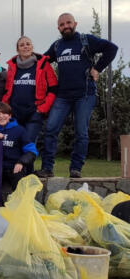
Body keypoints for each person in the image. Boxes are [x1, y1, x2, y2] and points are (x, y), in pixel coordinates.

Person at [36, 13, 118, 178]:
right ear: (58, 28)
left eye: (68, 23)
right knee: (51, 129)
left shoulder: (86, 40)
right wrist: (26, 57)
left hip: (85, 94)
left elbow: (112, 48)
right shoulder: (57, 45)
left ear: (75, 23)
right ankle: (47, 168)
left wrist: (98, 68)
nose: (65, 26)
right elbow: (42, 61)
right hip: (62, 96)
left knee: (81, 132)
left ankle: (76, 168)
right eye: (61, 24)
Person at [2, 36, 58, 144]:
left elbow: (54, 88)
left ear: (32, 47)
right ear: (17, 50)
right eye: (22, 45)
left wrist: (42, 109)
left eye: (28, 44)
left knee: (28, 145)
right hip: (15, 113)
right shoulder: (12, 66)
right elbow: (7, 90)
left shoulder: (43, 64)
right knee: (13, 145)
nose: (25, 47)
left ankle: (27, 162)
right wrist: (5, 108)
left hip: (34, 113)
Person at [0, 102, 37, 197]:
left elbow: (32, 151)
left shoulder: (19, 130)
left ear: (10, 115)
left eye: (4, 113)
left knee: (21, 192)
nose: (1, 116)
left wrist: (21, 162)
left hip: (14, 168)